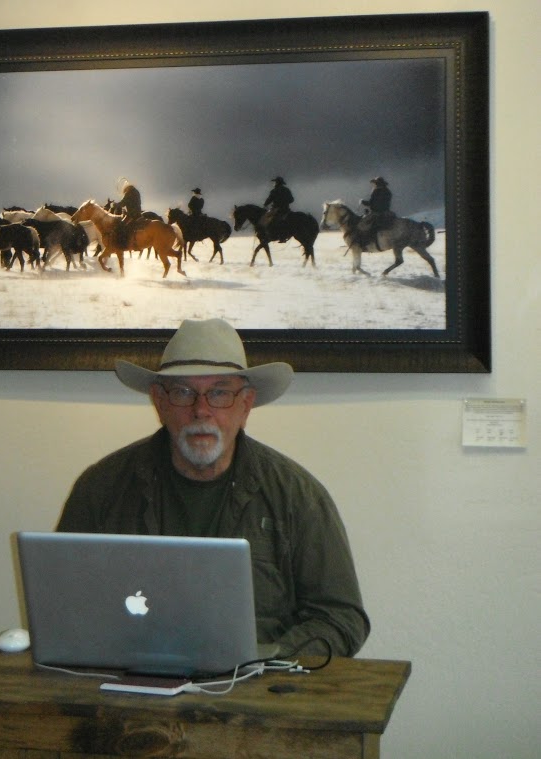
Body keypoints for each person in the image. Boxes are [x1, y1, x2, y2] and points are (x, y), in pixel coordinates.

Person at [56, 318, 370, 657]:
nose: (200, 410)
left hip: (256, 697)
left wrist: (265, 658)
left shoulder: (297, 497)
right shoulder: (101, 489)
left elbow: (342, 619)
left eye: (219, 392)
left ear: (246, 404)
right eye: (183, 392)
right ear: (159, 402)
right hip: (127, 690)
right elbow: (60, 602)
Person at [358, 176, 395, 250]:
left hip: (377, 213)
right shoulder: (388, 191)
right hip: (387, 212)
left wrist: (362, 201)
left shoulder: (376, 191)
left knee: (362, 224)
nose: (374, 185)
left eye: (375, 183)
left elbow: (372, 203)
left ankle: (366, 242)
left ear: (377, 184)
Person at [262, 176, 294, 242]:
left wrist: (265, 204)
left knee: (269, 220)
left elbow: (269, 200)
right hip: (286, 209)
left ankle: (274, 235)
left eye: (275, 182)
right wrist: (285, 201)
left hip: (276, 210)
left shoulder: (274, 191)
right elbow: (291, 200)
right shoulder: (287, 190)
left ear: (277, 183)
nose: (274, 183)